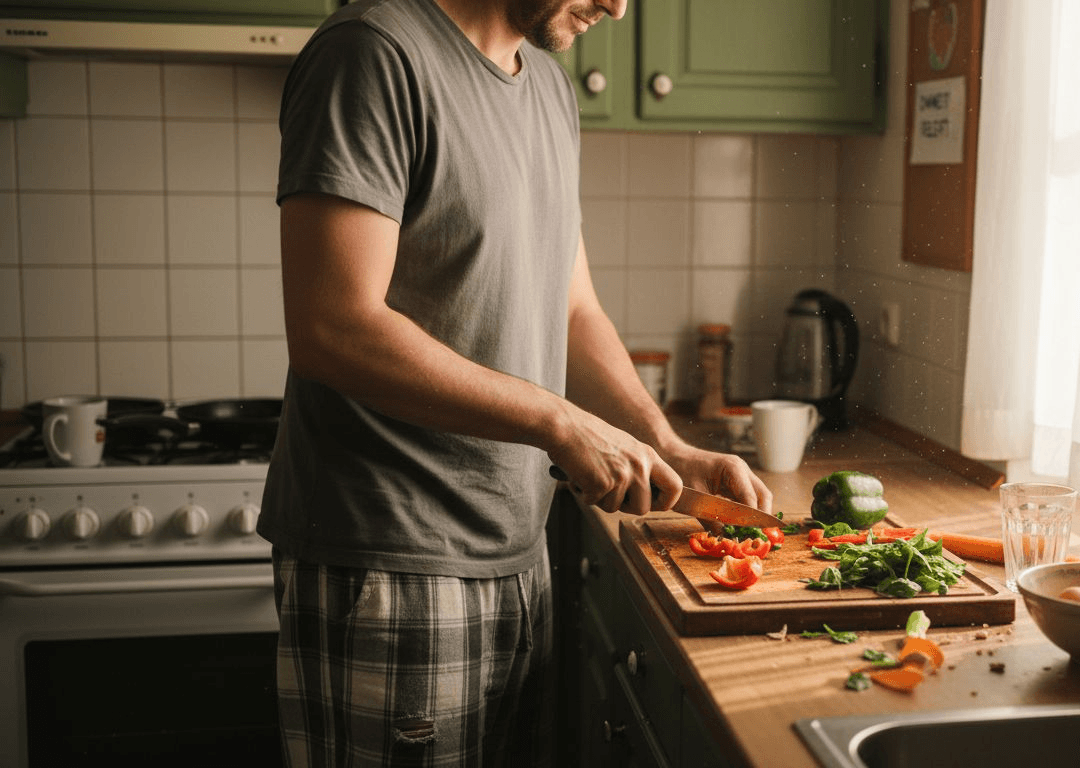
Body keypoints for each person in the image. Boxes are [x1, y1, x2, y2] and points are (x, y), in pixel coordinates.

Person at [256, 0, 773, 765]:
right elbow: (334, 326)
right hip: (393, 563)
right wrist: (559, 423)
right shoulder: (373, 53)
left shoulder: (549, 90)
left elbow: (574, 308)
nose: (620, 6)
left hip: (516, 556)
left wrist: (664, 443)